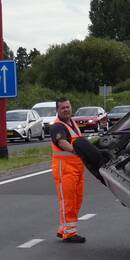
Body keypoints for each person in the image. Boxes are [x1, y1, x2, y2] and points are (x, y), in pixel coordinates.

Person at [50, 97, 86, 243]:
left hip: (77, 168)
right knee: (68, 201)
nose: (66, 110)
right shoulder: (57, 126)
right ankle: (69, 233)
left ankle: (64, 229)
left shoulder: (72, 123)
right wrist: (76, 150)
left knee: (77, 199)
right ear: (57, 110)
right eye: (63, 108)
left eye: (68, 107)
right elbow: (62, 142)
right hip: (64, 168)